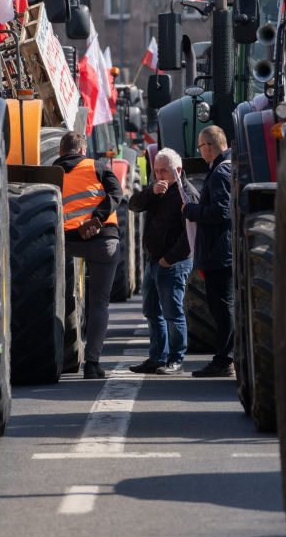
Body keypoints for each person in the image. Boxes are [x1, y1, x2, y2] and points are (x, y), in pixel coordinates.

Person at [56, 131, 123, 379]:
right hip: (103, 241)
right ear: (83, 150)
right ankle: (92, 364)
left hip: (67, 242)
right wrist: (97, 218)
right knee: (99, 303)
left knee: (58, 297)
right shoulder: (98, 167)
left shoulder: (52, 172)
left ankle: (60, 354)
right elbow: (117, 194)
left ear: (61, 151)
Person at [127, 148, 198, 376]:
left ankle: (176, 360)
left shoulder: (186, 194)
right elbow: (132, 204)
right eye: (156, 171)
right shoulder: (157, 190)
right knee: (151, 311)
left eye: (164, 171)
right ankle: (157, 357)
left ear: (178, 170)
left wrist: (169, 259)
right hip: (154, 260)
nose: (159, 176)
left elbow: (189, 235)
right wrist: (151, 192)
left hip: (173, 263)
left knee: (172, 313)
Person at [183, 125, 234, 378]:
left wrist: (191, 211)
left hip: (218, 251)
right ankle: (224, 358)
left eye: (201, 147)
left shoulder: (220, 172)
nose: (200, 152)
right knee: (221, 307)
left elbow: (222, 212)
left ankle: (224, 360)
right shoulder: (224, 168)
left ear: (210, 147)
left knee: (222, 308)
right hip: (218, 249)